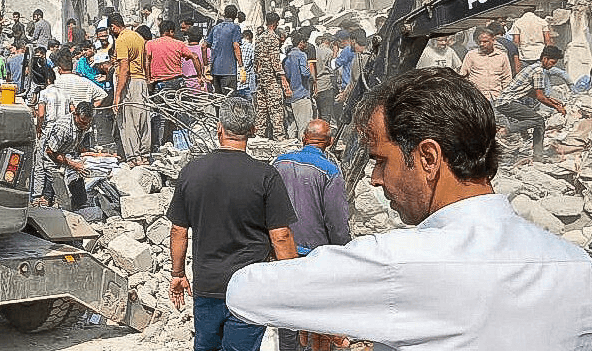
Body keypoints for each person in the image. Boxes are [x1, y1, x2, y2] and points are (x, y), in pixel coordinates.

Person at [227, 67, 592, 350]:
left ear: (428, 158)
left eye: (381, 161)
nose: (375, 178)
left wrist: (314, 305)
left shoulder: (399, 263)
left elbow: (245, 291)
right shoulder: (578, 268)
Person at [166, 97, 298, 351]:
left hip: (206, 285)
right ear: (252, 130)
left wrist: (177, 274)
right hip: (248, 289)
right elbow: (280, 236)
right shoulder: (266, 176)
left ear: (219, 128)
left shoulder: (191, 172)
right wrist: (292, 281)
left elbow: (178, 230)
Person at [271, 119, 350, 351]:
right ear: (331, 142)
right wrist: (344, 252)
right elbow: (337, 222)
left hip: (281, 252)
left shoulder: (279, 163)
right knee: (317, 317)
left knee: (286, 317)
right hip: (316, 257)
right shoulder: (330, 171)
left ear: (303, 138)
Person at [494, 45, 566, 160]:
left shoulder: (534, 67)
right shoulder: (538, 71)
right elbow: (540, 97)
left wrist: (551, 99)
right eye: (552, 62)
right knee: (538, 120)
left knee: (539, 123)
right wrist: (557, 107)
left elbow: (531, 92)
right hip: (507, 102)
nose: (552, 66)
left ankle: (538, 155)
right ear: (545, 58)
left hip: (505, 101)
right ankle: (505, 131)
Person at [145, 20, 204, 147]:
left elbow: (147, 61)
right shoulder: (179, 44)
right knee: (177, 115)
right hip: (176, 83)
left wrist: (148, 79)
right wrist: (200, 76)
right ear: (171, 31)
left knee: (160, 117)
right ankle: (175, 144)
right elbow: (194, 57)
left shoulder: (150, 44)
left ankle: (159, 146)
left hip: (159, 84)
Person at [32, 102, 95, 210]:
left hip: (64, 155)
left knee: (76, 180)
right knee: (63, 199)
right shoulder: (63, 128)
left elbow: (76, 142)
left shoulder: (83, 124)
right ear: (75, 114)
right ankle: (45, 201)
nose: (85, 126)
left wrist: (90, 154)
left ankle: (80, 205)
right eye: (82, 123)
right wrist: (72, 164)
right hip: (50, 158)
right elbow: (50, 152)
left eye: (87, 124)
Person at [110, 12, 151, 166]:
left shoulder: (122, 40)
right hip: (141, 82)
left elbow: (124, 68)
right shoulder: (138, 37)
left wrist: (117, 95)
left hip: (130, 82)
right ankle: (144, 155)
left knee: (128, 121)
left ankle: (134, 158)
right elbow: (146, 61)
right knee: (142, 120)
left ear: (113, 27)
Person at [254, 12, 291, 141]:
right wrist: (283, 79)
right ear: (276, 23)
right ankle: (279, 137)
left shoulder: (260, 37)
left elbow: (256, 60)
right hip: (271, 79)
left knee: (262, 109)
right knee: (276, 109)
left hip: (261, 79)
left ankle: (259, 136)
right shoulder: (273, 38)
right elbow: (275, 60)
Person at [459, 27, 512, 102]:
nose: (481, 44)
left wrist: (505, 96)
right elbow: (463, 76)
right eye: (480, 42)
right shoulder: (471, 55)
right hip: (477, 98)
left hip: (497, 97)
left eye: (485, 41)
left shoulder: (502, 56)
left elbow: (507, 78)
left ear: (493, 40)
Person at [204, 5, 243, 94]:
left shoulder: (215, 28)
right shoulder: (235, 27)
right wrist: (241, 66)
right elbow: (236, 46)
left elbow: (203, 46)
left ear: (224, 14)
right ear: (235, 15)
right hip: (229, 71)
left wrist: (206, 65)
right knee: (228, 100)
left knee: (217, 99)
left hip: (215, 70)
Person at [283, 31, 312, 139]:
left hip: (290, 95)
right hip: (301, 94)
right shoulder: (301, 55)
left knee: (292, 126)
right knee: (304, 126)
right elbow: (305, 73)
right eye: (305, 42)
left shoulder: (288, 56)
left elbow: (287, 75)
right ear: (301, 43)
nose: (306, 45)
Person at [36, 67, 72, 139]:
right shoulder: (65, 93)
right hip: (65, 129)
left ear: (47, 80)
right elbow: (73, 111)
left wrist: (38, 129)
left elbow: (41, 115)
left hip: (49, 130)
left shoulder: (43, 93)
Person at [313, 35, 335, 123]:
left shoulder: (314, 50)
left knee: (318, 114)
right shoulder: (329, 52)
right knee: (326, 114)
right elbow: (332, 68)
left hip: (316, 85)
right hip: (326, 84)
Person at [183, 27, 210, 93]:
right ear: (201, 37)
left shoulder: (182, 50)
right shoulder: (207, 51)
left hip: (184, 83)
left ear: (188, 37)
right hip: (200, 83)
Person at [236, 30, 256, 100]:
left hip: (235, 78)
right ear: (250, 38)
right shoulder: (252, 47)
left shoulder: (237, 46)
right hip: (246, 79)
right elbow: (254, 63)